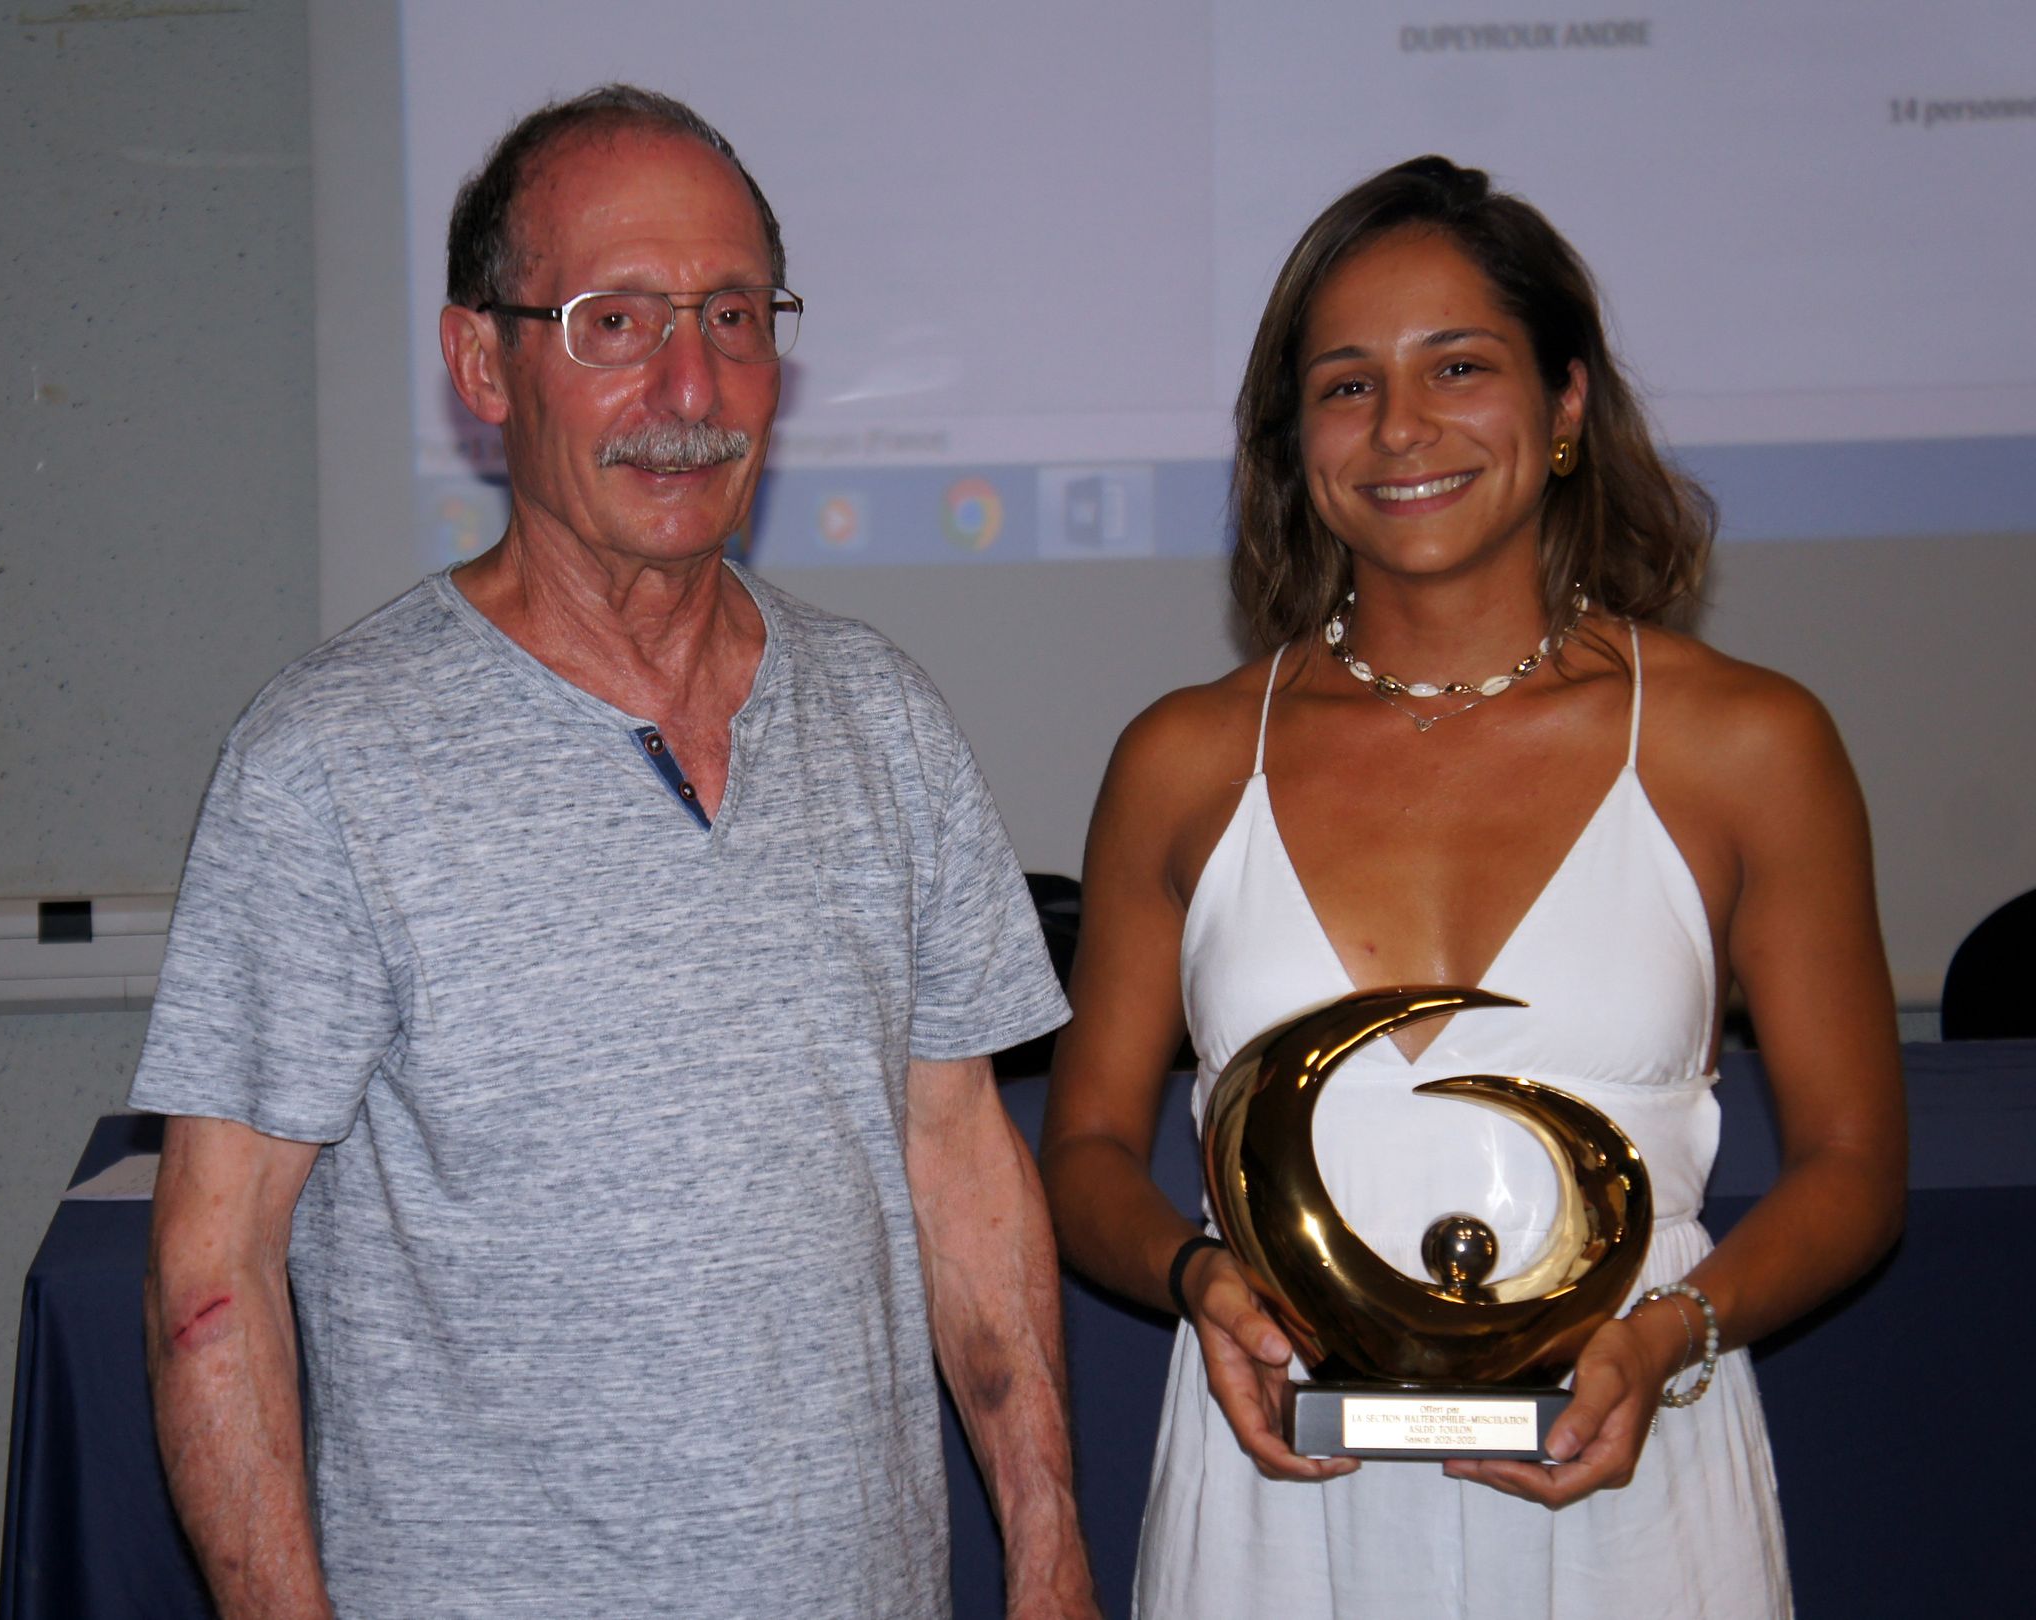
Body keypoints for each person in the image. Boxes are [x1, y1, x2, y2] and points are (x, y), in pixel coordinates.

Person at [133, 86, 1098, 1620]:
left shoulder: (886, 722)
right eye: (614, 322)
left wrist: (1048, 1554)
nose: (688, 385)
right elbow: (213, 1268)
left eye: (732, 316)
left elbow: (963, 1169)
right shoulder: (329, 764)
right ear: (482, 363)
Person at [1039, 155, 1905, 1618]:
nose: (1402, 428)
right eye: (1347, 385)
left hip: (1631, 1482)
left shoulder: (1749, 744)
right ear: (1295, 441)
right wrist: (1203, 1284)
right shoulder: (1185, 759)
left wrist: (1673, 1335)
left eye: (1458, 366)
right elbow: (1084, 1150)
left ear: (1565, 405)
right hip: (1276, 1499)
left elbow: (1854, 1166)